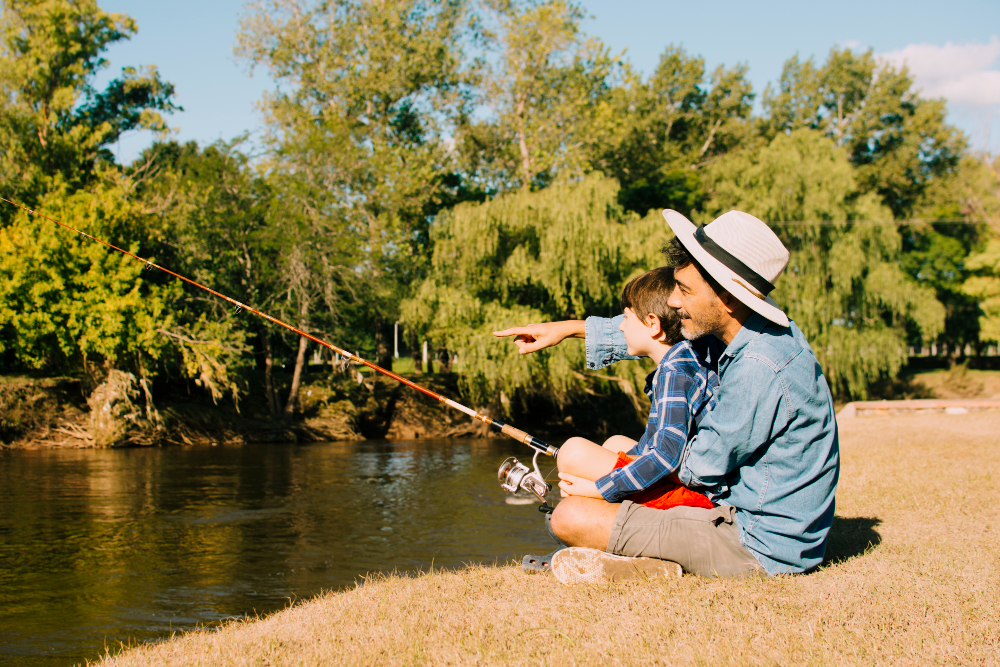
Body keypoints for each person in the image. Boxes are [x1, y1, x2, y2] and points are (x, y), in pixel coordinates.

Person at [495, 209, 840, 582]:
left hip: (756, 541)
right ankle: (643, 546)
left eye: (685, 291)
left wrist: (604, 485)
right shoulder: (745, 331)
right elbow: (661, 336)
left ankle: (652, 564)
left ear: (728, 297)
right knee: (614, 446)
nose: (674, 301)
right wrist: (566, 329)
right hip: (733, 501)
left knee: (569, 516)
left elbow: (695, 468)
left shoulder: (759, 367)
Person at [555, 267, 714, 514]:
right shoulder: (685, 358)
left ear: (653, 324)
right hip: (687, 482)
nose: (620, 327)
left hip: (697, 499)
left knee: (572, 452)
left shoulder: (674, 373)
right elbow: (655, 446)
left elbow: (665, 456)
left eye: (626, 318)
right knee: (614, 443)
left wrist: (599, 488)